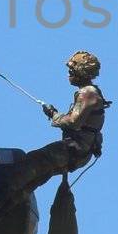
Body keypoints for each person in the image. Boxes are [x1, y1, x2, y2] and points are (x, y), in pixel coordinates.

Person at [7, 51, 110, 197]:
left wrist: (54, 116)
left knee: (33, 161)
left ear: (80, 72)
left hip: (77, 148)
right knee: (39, 174)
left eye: (71, 71)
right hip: (79, 149)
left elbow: (74, 122)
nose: (68, 75)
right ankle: (3, 205)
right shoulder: (88, 92)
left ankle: (0, 193)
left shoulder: (88, 93)